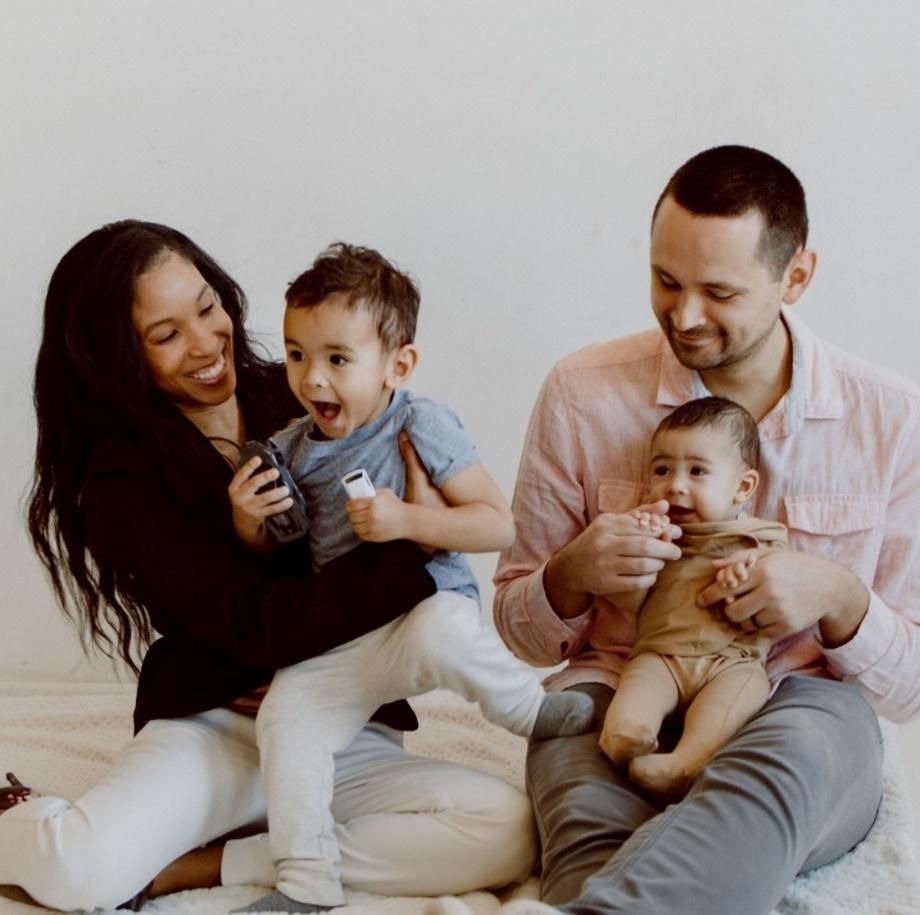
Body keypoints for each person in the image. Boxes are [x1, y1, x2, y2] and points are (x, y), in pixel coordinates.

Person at [0, 221, 537, 912]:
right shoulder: (121, 480)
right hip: (223, 729)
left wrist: (424, 526)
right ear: (120, 358)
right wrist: (415, 545)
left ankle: (209, 866)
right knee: (80, 873)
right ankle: (13, 811)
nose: (204, 341)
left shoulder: (301, 390)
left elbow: (438, 491)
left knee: (508, 827)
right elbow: (255, 629)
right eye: (165, 334)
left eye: (205, 306)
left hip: (340, 725)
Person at [494, 145, 920, 914]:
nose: (684, 316)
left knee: (773, 779)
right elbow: (519, 634)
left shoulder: (890, 418)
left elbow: (913, 682)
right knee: (589, 822)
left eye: (718, 291)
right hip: (617, 685)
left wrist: (837, 594)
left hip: (800, 701)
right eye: (665, 281)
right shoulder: (581, 392)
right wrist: (572, 574)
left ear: (796, 277)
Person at [227, 243, 593, 913]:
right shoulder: (290, 448)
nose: (313, 380)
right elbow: (268, 554)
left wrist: (405, 520)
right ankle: (305, 881)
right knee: (287, 716)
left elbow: (496, 526)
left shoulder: (419, 422)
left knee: (447, 630)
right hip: (347, 640)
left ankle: (529, 710)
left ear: (399, 364)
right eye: (298, 355)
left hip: (425, 613)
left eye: (338, 359)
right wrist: (248, 519)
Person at [598, 396, 788, 802]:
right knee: (631, 705)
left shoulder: (760, 538)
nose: (675, 485)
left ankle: (684, 763)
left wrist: (750, 571)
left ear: (743, 486)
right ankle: (628, 739)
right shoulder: (653, 533)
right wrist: (640, 552)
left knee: (721, 715)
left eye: (697, 471)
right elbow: (631, 603)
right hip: (658, 656)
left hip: (732, 664)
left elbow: (783, 593)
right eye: (662, 470)